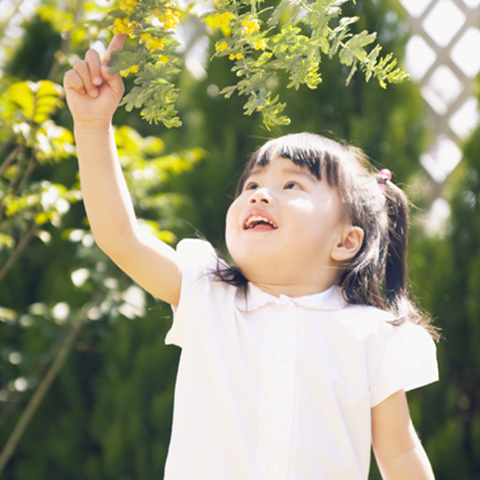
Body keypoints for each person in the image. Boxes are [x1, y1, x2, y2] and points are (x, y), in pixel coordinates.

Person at [64, 33, 439, 480]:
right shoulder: (206, 292)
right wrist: (91, 127)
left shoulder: (368, 335)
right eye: (251, 185)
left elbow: (398, 455)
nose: (260, 195)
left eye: (292, 185)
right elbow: (120, 239)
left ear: (346, 241)